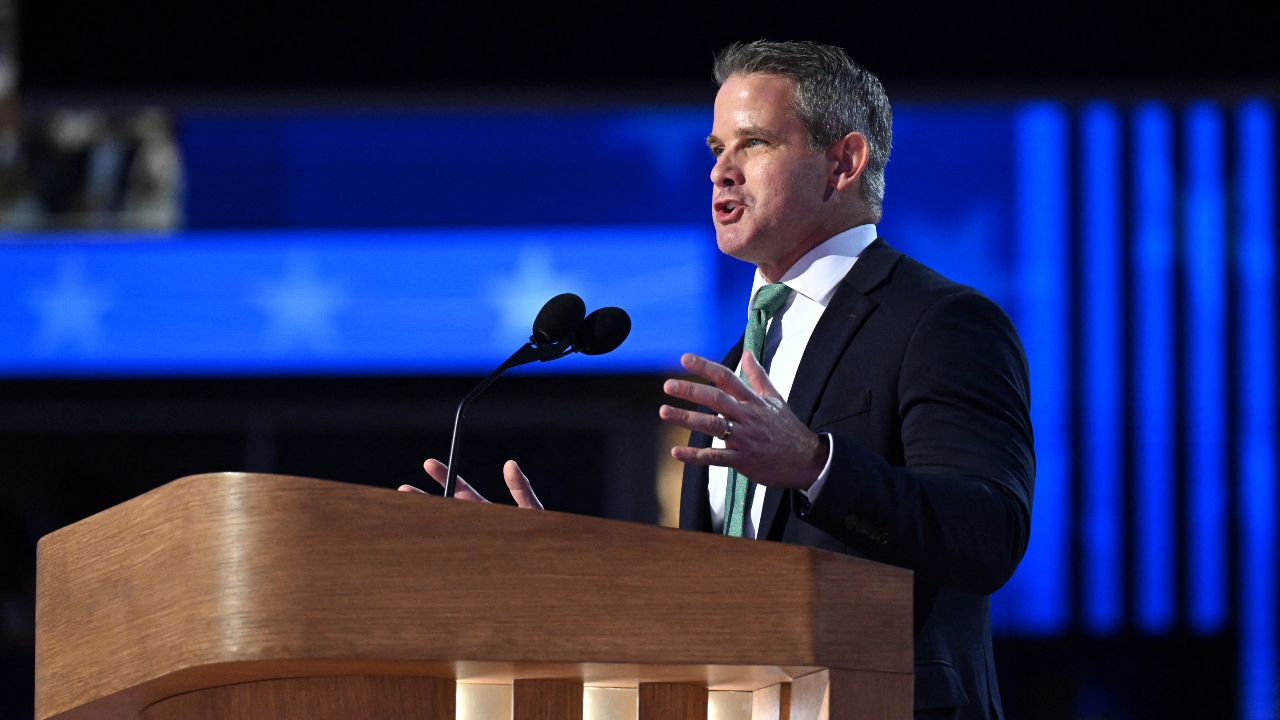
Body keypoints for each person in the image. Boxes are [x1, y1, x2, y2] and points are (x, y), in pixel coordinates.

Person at [404, 40, 1034, 720]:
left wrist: (817, 466)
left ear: (844, 162)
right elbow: (713, 603)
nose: (720, 173)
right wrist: (567, 573)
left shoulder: (940, 322)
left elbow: (987, 534)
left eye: (754, 144)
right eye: (715, 149)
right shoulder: (741, 359)